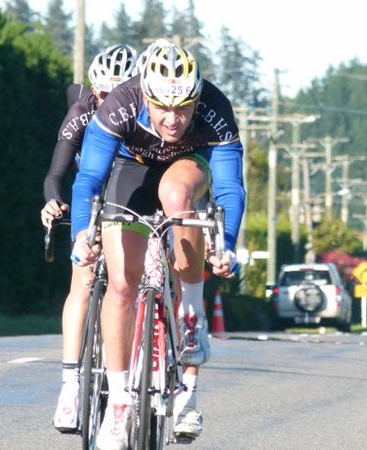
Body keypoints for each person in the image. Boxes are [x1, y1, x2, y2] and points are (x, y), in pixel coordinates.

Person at [70, 44, 245, 450]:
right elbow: (89, 179)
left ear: (197, 100)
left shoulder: (215, 110)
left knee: (176, 193)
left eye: (183, 109)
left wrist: (228, 245)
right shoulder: (120, 104)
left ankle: (191, 313)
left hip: (186, 167)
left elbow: (231, 189)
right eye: (162, 108)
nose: (172, 119)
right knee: (122, 286)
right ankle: (117, 406)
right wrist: (82, 232)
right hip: (131, 171)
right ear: (145, 95)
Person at [42, 44, 138, 433]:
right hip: (93, 193)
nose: (107, 104)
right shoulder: (81, 113)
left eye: (117, 96)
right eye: (101, 96)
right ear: (93, 91)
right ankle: (70, 385)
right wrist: (52, 203)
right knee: (82, 280)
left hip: (132, 192)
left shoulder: (142, 115)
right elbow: (55, 175)